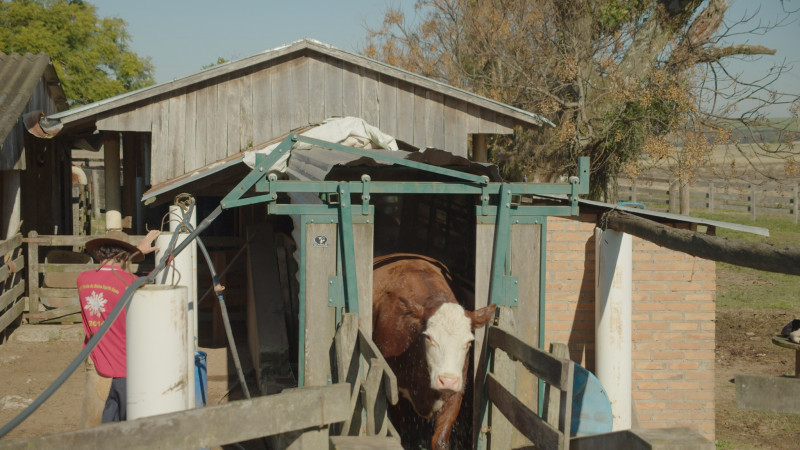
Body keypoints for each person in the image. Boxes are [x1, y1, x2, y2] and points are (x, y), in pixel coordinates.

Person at [78, 229, 160, 425]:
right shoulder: (131, 283)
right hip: (126, 367)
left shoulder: (83, 279)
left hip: (97, 368)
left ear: (98, 253)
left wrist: (135, 251)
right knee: (130, 429)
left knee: (97, 430)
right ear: (125, 256)